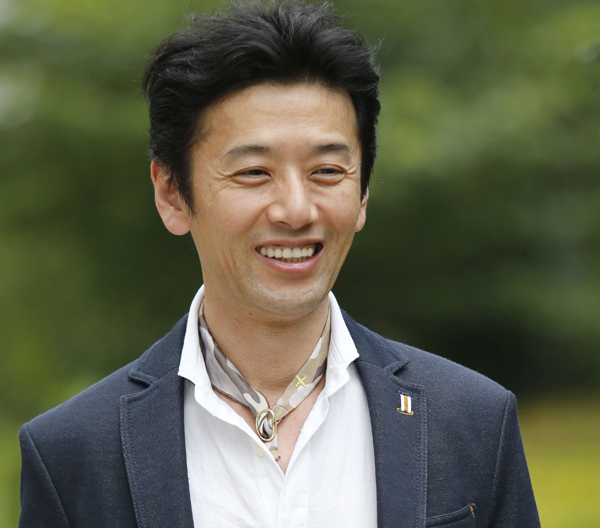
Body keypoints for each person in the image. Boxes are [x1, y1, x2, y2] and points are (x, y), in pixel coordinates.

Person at [18, 1, 541, 527]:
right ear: (172, 193)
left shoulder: (472, 420)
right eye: (253, 172)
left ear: (363, 193)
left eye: (327, 171)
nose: (296, 209)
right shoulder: (74, 453)